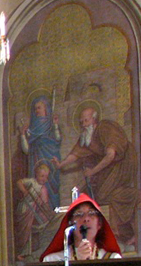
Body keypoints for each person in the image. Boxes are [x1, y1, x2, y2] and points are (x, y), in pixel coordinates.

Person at [53, 104, 137, 249]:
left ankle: (124, 229)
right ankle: (119, 232)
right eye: (82, 122)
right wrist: (61, 164)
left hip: (123, 164)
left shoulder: (105, 128)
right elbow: (76, 153)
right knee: (97, 195)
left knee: (106, 195)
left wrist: (92, 172)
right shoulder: (87, 136)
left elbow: (111, 155)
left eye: (86, 121)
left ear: (94, 119)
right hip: (108, 167)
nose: (84, 125)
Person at [40, 192, 121, 263]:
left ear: (99, 224)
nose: (86, 219)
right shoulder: (52, 260)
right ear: (70, 224)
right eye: (79, 214)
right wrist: (76, 260)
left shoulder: (112, 259)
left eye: (91, 213)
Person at [17, 95, 61, 208]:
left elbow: (57, 140)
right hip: (35, 159)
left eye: (39, 107)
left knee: (50, 184)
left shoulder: (51, 124)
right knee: (37, 186)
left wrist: (55, 125)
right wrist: (22, 135)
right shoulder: (31, 128)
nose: (37, 110)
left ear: (46, 108)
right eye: (35, 108)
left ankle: (52, 211)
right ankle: (39, 217)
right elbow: (27, 150)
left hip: (50, 157)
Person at [14, 162, 54, 261]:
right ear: (36, 175)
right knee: (24, 230)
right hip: (25, 209)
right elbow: (19, 182)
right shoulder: (31, 182)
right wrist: (24, 191)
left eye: (46, 176)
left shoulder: (43, 188)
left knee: (29, 230)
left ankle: (26, 253)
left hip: (33, 212)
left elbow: (44, 204)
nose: (44, 179)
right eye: (42, 176)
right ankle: (20, 252)